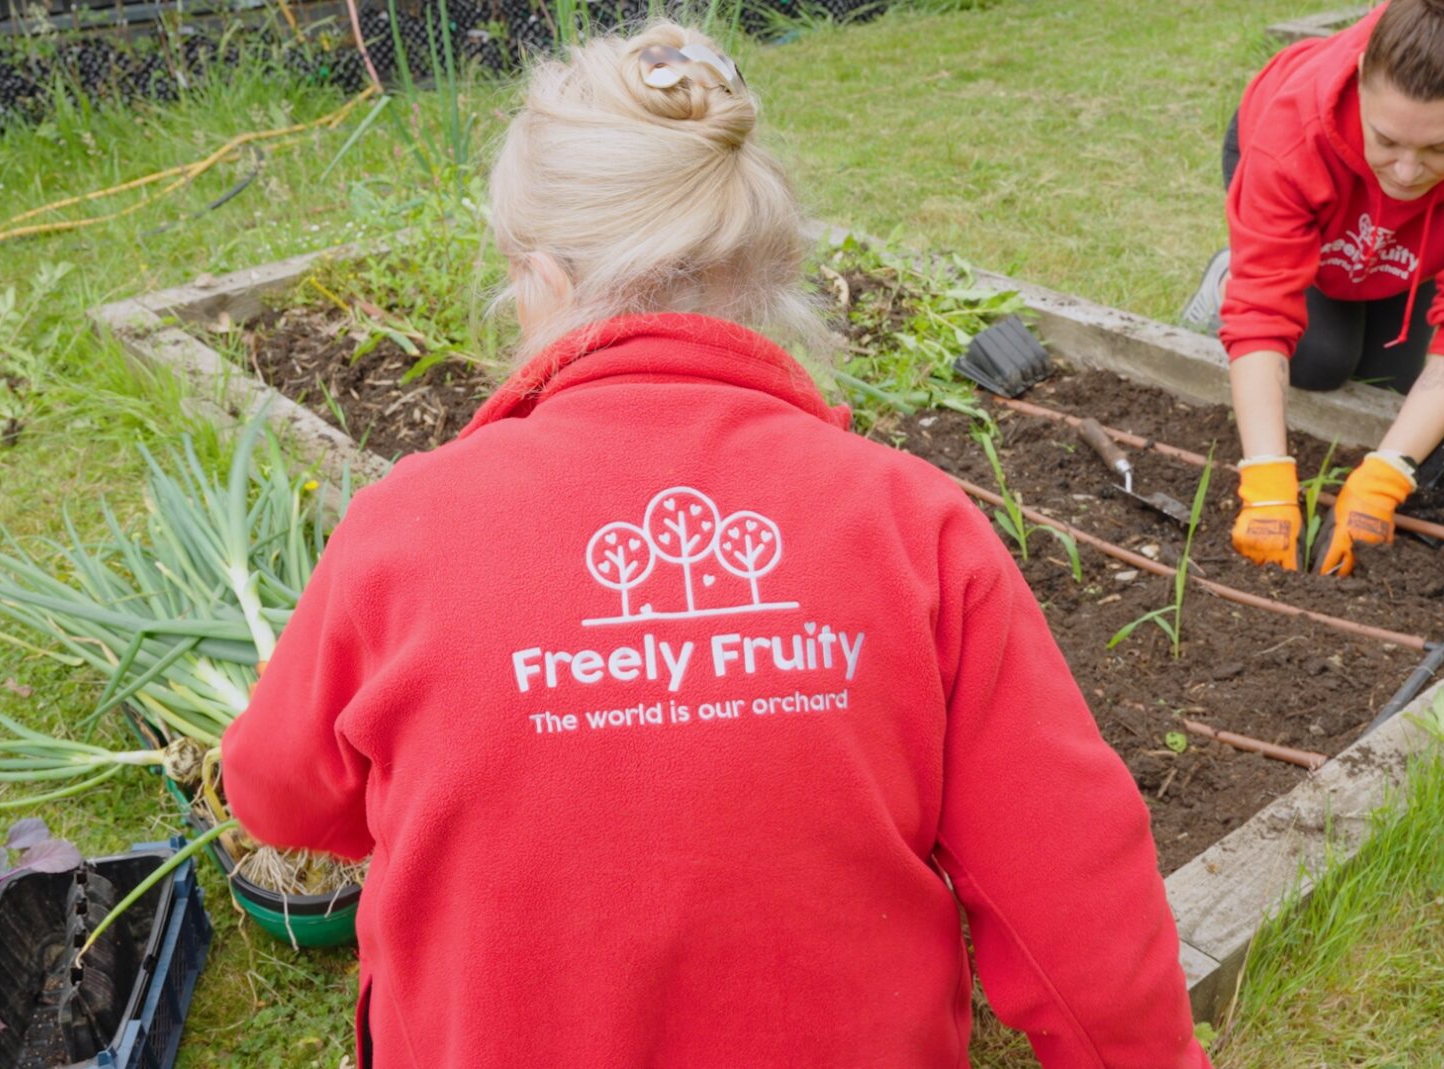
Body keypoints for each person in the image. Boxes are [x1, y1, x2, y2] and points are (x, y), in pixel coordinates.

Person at [222, 22, 1210, 1069]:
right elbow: (1071, 888)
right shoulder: (908, 523)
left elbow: (278, 794)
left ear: (540, 278)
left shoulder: (406, 528)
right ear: (770, 274)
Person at [1180, 0, 1444, 576]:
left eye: (1439, 148)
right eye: (1386, 140)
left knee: (1394, 384)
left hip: (1407, 242)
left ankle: (1370, 270)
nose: (1406, 172)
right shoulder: (1292, 125)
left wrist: (1388, 473)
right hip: (1290, 164)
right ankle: (1226, 271)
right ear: (1360, 79)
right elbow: (1262, 310)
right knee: (1320, 361)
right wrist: (1266, 477)